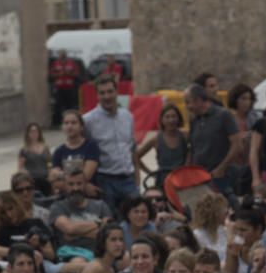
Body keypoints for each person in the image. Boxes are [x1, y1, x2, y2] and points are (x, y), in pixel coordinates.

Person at [83, 76, 138, 214]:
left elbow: (132, 149)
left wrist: (137, 178)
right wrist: (86, 183)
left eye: (110, 91)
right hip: (104, 181)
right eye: (102, 93)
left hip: (128, 180)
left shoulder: (128, 117)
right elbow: (82, 153)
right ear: (97, 95)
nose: (107, 96)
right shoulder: (88, 121)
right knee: (110, 222)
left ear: (116, 92)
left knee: (137, 218)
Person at [49, 168, 112, 262]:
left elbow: (108, 233)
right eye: (71, 184)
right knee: (79, 261)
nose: (75, 188)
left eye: (79, 184)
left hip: (100, 252)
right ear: (65, 186)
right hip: (72, 254)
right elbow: (69, 228)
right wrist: (99, 223)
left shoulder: (101, 205)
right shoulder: (57, 207)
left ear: (85, 184)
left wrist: (74, 234)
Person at [135, 103, 188, 192]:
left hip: (182, 182)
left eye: (174, 116)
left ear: (179, 118)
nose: (171, 120)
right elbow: (136, 156)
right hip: (163, 183)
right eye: (167, 117)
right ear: (162, 120)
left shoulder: (185, 136)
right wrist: (150, 173)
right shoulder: (156, 139)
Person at [52, 110, 99, 194]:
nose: (69, 126)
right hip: (66, 198)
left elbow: (86, 176)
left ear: (81, 127)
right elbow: (54, 181)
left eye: (73, 123)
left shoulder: (91, 146)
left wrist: (61, 175)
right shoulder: (59, 151)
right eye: (66, 123)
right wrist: (84, 187)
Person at [17, 123, 51, 196]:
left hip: (46, 179)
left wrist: (50, 175)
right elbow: (20, 168)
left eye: (36, 131)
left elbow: (49, 164)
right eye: (31, 131)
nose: (34, 134)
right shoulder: (24, 150)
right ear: (28, 134)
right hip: (32, 182)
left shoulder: (46, 148)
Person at [49, 50, 80, 126]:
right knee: (58, 106)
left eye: (64, 54)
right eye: (61, 54)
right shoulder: (55, 63)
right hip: (59, 88)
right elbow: (51, 75)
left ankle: (73, 121)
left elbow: (77, 73)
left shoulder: (71, 63)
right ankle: (58, 123)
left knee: (70, 106)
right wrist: (59, 74)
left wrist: (69, 74)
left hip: (69, 88)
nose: (62, 56)